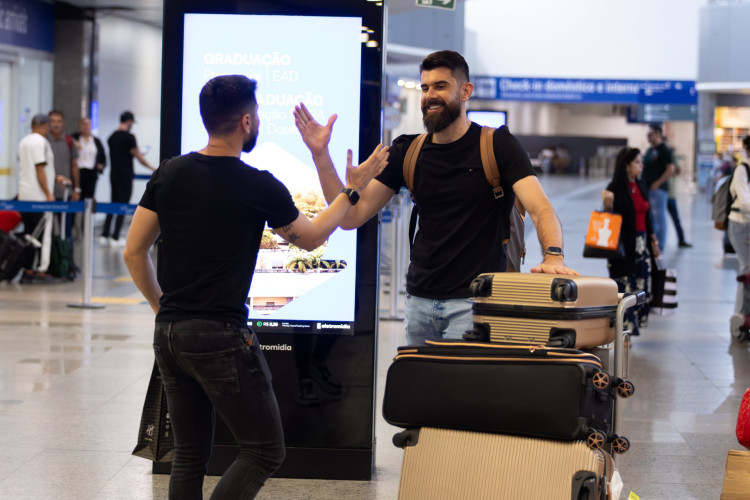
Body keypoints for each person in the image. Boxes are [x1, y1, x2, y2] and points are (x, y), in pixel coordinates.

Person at [123, 74, 388, 499]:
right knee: (265, 450)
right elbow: (315, 235)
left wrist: (163, 311)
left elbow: (134, 252)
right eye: (259, 114)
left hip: (170, 335)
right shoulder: (256, 184)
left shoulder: (169, 173)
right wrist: (352, 190)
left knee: (189, 455)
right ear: (246, 121)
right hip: (222, 336)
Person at [294, 50, 577, 345]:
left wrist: (553, 255)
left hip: (475, 303)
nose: (430, 95)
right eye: (425, 87)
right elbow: (351, 216)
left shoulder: (498, 146)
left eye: (440, 86)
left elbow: (542, 209)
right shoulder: (407, 151)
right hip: (418, 303)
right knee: (422, 390)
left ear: (465, 91)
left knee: (463, 391)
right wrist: (321, 156)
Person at [601, 147, 660, 336]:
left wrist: (653, 239)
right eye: (637, 162)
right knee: (625, 287)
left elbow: (647, 215)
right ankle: (624, 332)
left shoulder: (641, 185)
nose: (641, 166)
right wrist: (608, 206)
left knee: (640, 286)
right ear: (627, 166)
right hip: (624, 247)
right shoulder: (614, 188)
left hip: (642, 245)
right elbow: (608, 221)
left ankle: (631, 329)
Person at [17, 114, 70, 282]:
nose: (49, 129)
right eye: (48, 126)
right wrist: (49, 193)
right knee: (43, 235)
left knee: (29, 234)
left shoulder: (24, 141)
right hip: (39, 197)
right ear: (42, 125)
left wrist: (55, 177)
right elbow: (40, 169)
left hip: (24, 194)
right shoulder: (41, 142)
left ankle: (28, 270)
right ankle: (41, 270)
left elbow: (33, 170)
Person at [100, 111, 156, 246]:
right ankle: (116, 236)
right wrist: (153, 168)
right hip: (125, 175)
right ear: (129, 121)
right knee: (123, 205)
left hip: (113, 174)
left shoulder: (112, 137)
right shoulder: (129, 137)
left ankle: (105, 234)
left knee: (113, 203)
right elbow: (138, 156)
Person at [728, 136, 750, 335]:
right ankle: (739, 316)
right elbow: (744, 202)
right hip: (740, 225)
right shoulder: (742, 170)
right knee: (746, 271)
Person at [641, 124, 675, 251]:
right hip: (647, 189)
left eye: (651, 135)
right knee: (651, 218)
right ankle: (652, 243)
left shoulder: (664, 150)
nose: (649, 138)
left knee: (659, 217)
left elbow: (670, 169)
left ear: (658, 134)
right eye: (648, 136)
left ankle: (660, 244)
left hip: (658, 190)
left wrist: (658, 183)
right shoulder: (650, 150)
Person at [71, 117, 106, 200]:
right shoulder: (74, 138)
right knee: (77, 196)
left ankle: (87, 213)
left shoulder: (96, 141)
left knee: (89, 198)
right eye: (84, 124)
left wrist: (101, 165)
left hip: (91, 173)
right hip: (78, 172)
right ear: (79, 126)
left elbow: (103, 157)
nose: (86, 126)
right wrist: (74, 142)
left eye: (88, 124)